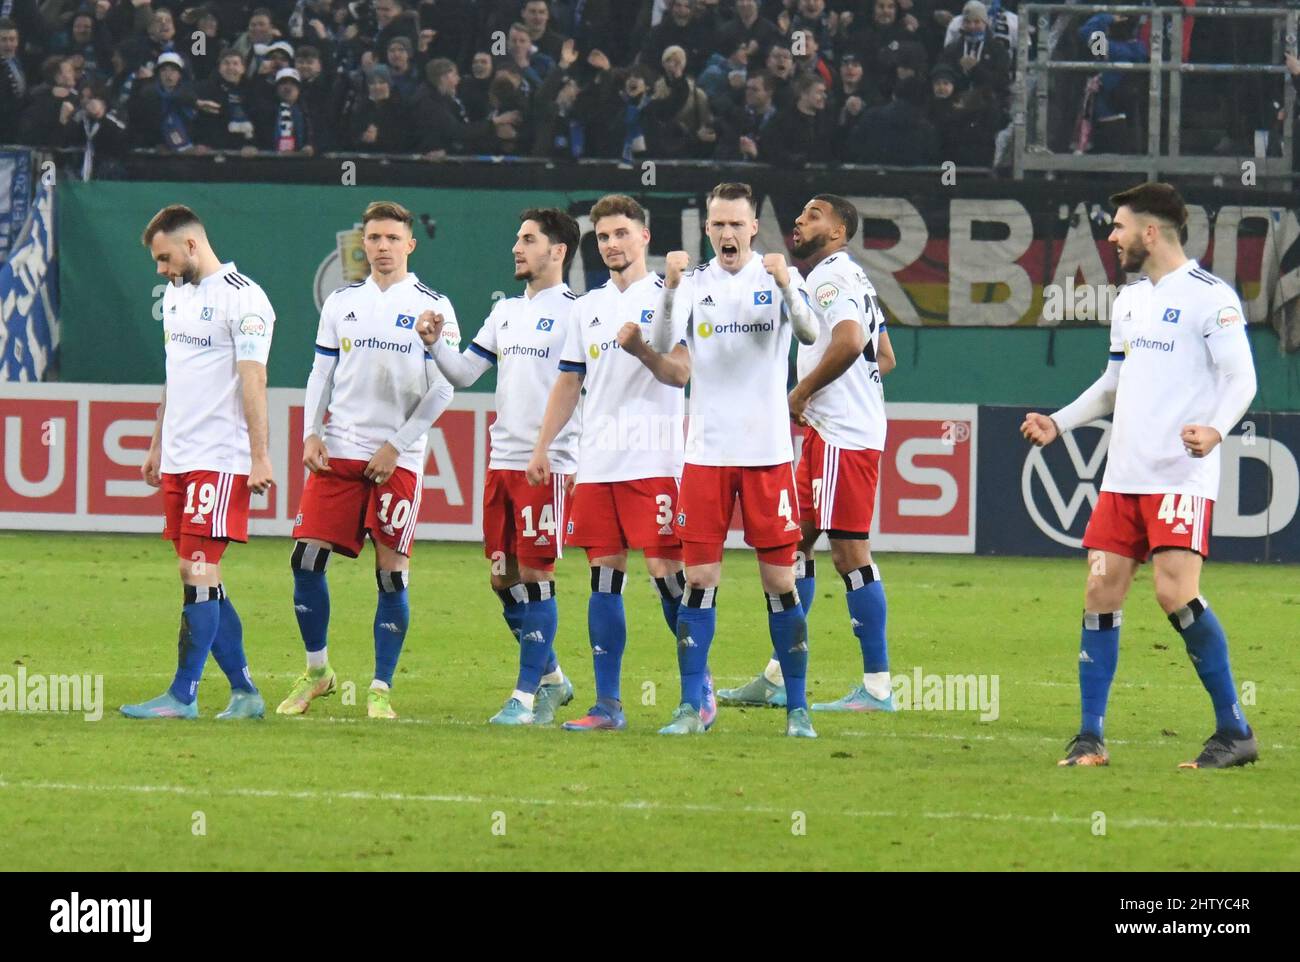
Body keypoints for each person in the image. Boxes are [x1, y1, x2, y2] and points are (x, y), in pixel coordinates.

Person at [1021, 182, 1259, 770]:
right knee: (1100, 592)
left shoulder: (1211, 297)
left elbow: (1243, 378)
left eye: (1119, 226)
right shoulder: (1129, 301)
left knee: (1174, 592)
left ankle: (1235, 730)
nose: (1112, 236)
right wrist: (1060, 423)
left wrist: (1216, 430)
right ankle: (1089, 737)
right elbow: (1112, 385)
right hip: (1122, 478)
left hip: (1180, 476)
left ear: (1150, 233)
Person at [638, 182, 821, 737]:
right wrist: (668, 287)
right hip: (708, 456)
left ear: (753, 228)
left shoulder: (775, 279)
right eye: (716, 224)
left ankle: (797, 708)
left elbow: (811, 331)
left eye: (735, 224)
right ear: (708, 230)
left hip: (766, 454)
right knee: (699, 578)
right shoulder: (693, 283)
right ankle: (692, 707)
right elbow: (665, 338)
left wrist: (789, 283)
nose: (725, 233)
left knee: (780, 582)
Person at [524, 194, 712, 732]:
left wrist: (642, 352)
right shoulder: (586, 308)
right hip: (600, 461)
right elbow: (568, 382)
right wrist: (544, 447)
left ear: (644, 237)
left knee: (665, 573)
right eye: (603, 236)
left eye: (621, 234)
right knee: (603, 576)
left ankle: (697, 694)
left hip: (656, 457)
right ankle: (608, 705)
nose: (611, 244)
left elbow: (680, 373)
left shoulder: (672, 295)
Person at [278, 201, 457, 720]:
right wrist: (312, 431)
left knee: (391, 574)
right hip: (341, 447)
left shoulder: (432, 306)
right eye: (373, 238)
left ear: (410, 245)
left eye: (390, 239)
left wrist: (397, 443)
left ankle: (380, 688)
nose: (380, 247)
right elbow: (321, 372)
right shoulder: (341, 302)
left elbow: (445, 387)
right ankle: (318, 672)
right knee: (305, 560)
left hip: (397, 455)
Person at [720, 194, 898, 712]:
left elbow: (848, 341)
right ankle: (779, 675)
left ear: (839, 232)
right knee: (793, 544)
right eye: (800, 214)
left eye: (814, 215)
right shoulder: (856, 278)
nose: (799, 220)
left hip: (844, 436)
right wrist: (837, 391)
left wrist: (801, 393)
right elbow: (882, 356)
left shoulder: (829, 275)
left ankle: (878, 687)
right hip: (832, 432)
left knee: (849, 554)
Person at [416, 208, 582, 726]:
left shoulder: (579, 312)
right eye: (516, 239)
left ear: (557, 252)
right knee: (502, 577)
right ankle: (553, 676)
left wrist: (559, 452)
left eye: (528, 240)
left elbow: (583, 386)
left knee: (536, 573)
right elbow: (465, 373)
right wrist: (434, 345)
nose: (516, 247)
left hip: (546, 465)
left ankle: (526, 696)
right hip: (502, 460)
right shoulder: (505, 311)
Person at [123, 205, 274, 720]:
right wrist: (156, 442)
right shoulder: (176, 297)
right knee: (199, 575)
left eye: (164, 258)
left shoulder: (244, 298)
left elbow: (254, 378)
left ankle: (183, 695)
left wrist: (259, 456)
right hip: (181, 456)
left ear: (191, 245)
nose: (161, 270)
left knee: (198, 569)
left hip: (220, 457)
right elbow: (176, 374)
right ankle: (245, 692)